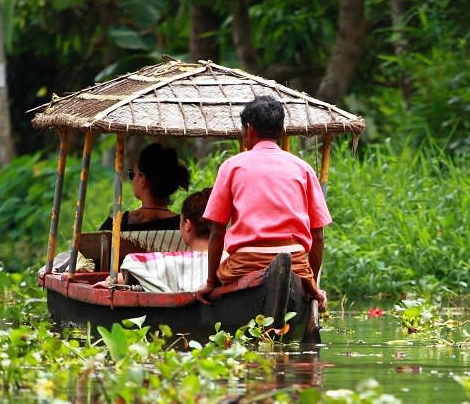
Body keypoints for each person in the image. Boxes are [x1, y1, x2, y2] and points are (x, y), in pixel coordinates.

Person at [199, 96, 329, 307]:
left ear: (249, 130)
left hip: (245, 263)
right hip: (296, 264)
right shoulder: (302, 168)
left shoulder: (231, 166)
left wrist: (211, 282)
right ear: (280, 131)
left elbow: (217, 231)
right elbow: (318, 236)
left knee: (220, 285)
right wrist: (310, 283)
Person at [114, 187, 214, 292]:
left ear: (187, 225)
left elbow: (131, 267)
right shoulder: (228, 261)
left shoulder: (170, 263)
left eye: (180, 221)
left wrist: (115, 279)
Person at [99, 142, 189, 234]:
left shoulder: (115, 225)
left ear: (142, 179)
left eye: (132, 174)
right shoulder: (186, 226)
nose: (132, 180)